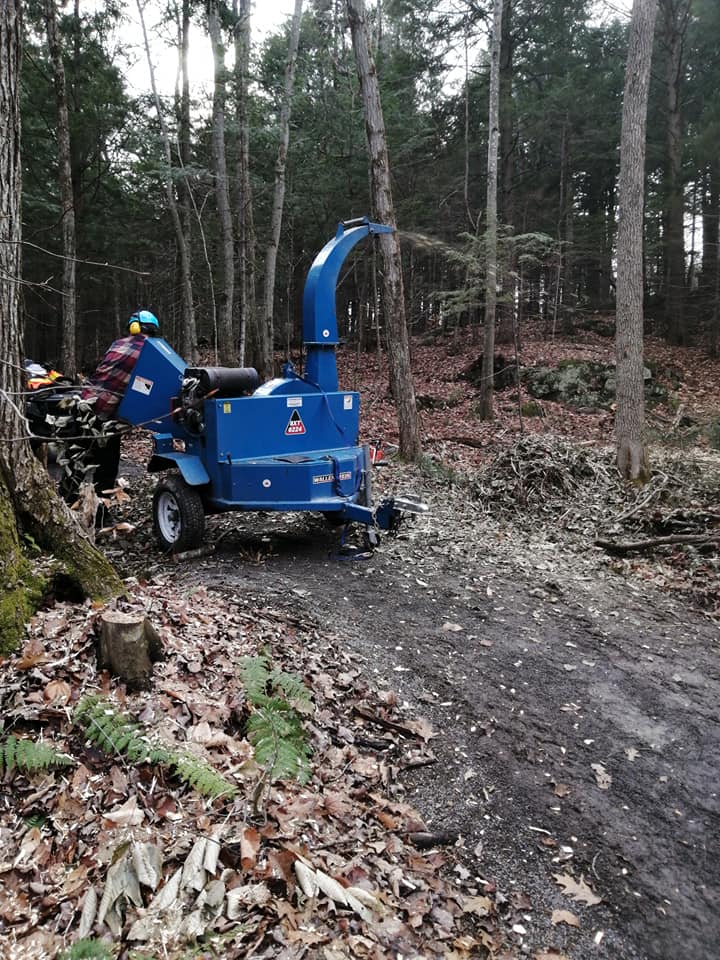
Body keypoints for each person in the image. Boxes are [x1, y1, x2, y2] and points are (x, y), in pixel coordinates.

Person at [79, 310, 161, 498]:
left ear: (133, 327)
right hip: (104, 413)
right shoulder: (147, 350)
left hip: (85, 405)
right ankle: (100, 512)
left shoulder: (118, 344)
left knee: (78, 462)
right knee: (107, 466)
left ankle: (69, 503)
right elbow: (147, 385)